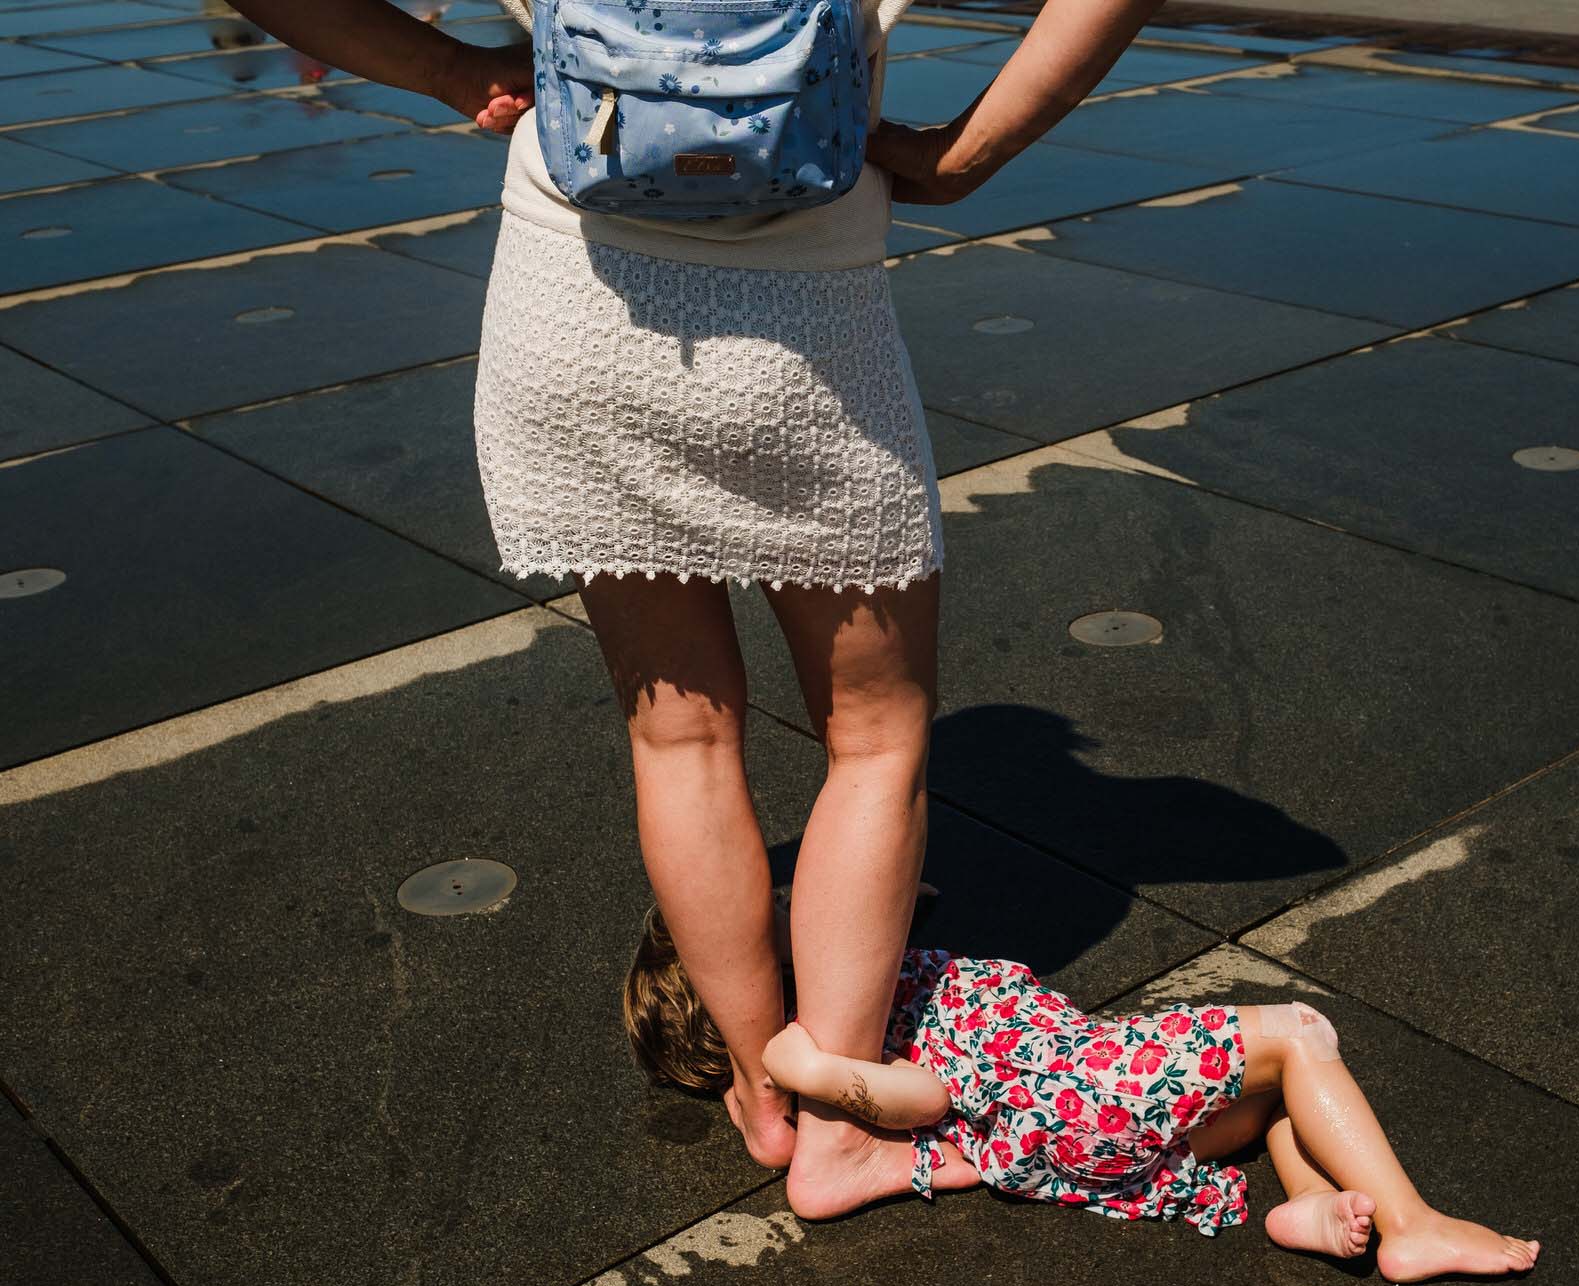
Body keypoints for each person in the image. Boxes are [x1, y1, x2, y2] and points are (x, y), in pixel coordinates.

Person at [226, 0, 1179, 1219]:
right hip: (808, 331)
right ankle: (837, 1124)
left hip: (573, 314)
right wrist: (962, 154)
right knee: (875, 741)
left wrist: (445, 65)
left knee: (681, 734)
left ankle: (756, 1086)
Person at [627, 904, 1543, 1281]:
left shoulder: (843, 1004)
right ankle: (1413, 1224)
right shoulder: (833, 1028)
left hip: (1078, 1121)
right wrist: (822, 1076)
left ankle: (1308, 1203)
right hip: (1087, 1084)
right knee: (1303, 1036)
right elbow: (926, 1092)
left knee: (1268, 1097)